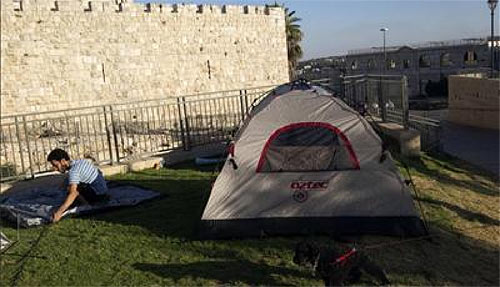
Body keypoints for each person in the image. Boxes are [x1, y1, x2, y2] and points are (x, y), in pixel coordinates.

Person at [47, 148, 109, 223]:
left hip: (98, 196)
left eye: (56, 165)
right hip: (103, 191)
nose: (55, 169)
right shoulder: (80, 162)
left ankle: (86, 206)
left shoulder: (73, 172)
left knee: (70, 191)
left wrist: (59, 213)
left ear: (63, 161)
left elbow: (73, 193)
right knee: (70, 186)